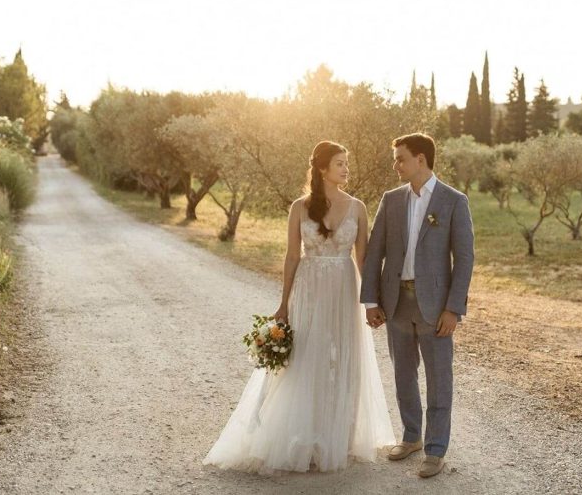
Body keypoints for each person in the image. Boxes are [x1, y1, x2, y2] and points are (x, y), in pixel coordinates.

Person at [203, 141, 395, 474]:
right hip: (308, 286)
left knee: (343, 357)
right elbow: (292, 256)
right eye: (340, 163)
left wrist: (372, 302)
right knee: (306, 357)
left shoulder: (359, 208)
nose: (346, 169)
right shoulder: (299, 208)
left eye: (347, 163)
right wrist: (283, 303)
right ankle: (302, 435)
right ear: (322, 168)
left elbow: (362, 259)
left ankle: (338, 436)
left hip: (344, 286)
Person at [361, 132, 474, 479]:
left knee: (439, 379)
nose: (396, 164)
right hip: (395, 302)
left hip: (436, 307)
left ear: (420, 159)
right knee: (403, 374)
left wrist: (454, 309)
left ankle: (436, 448)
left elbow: (465, 258)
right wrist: (371, 300)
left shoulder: (454, 200)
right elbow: (374, 252)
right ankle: (411, 437)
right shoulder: (391, 200)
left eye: (400, 158)